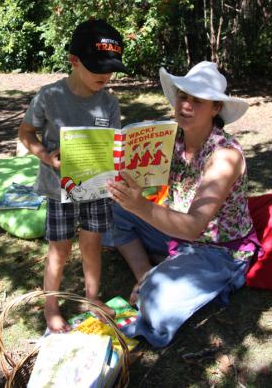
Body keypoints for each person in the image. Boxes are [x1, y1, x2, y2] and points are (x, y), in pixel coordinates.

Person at [105, 61, 263, 347]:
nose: (186, 105)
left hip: (218, 250)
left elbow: (193, 227)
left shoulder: (225, 156)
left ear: (216, 108)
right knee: (115, 211)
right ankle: (145, 274)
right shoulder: (172, 138)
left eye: (198, 100)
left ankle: (172, 279)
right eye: (183, 96)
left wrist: (140, 205)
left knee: (155, 306)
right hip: (177, 232)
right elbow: (147, 183)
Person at [18, 19, 128, 333]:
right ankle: (50, 306)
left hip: (96, 187)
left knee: (92, 244)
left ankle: (92, 298)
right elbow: (26, 133)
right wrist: (45, 156)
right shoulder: (49, 96)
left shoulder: (109, 102)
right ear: (74, 60)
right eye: (97, 68)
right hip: (58, 189)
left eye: (110, 69)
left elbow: (115, 144)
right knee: (61, 248)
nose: (105, 76)